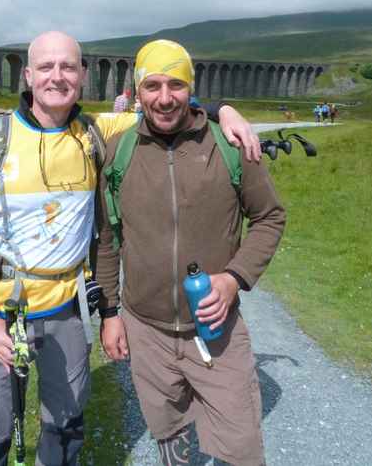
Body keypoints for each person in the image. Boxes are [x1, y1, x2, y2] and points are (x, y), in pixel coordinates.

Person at [0, 30, 263, 466]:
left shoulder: (97, 131)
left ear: (84, 74)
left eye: (68, 66)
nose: (58, 76)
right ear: (29, 75)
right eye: (47, 67)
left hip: (64, 312)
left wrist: (224, 110)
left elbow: (166, 104)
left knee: (65, 428)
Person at [96, 39, 286, 466]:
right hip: (144, 329)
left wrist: (234, 278)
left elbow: (270, 217)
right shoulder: (118, 152)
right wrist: (109, 314)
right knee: (169, 431)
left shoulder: (232, 145)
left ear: (192, 89)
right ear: (137, 92)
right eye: (153, 86)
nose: (165, 98)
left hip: (215, 329)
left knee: (241, 447)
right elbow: (107, 239)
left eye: (176, 85)